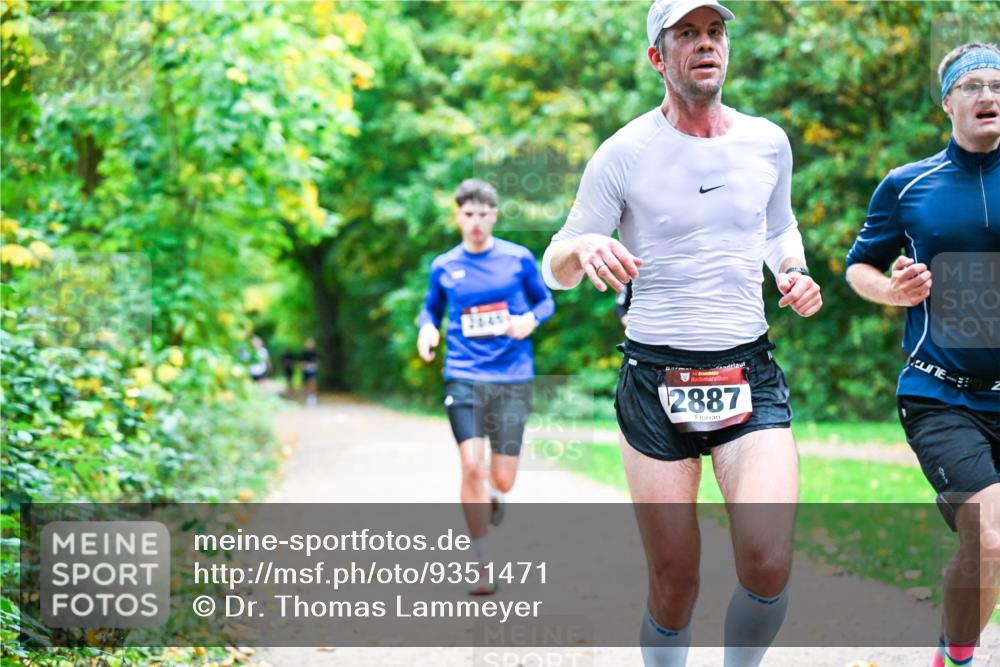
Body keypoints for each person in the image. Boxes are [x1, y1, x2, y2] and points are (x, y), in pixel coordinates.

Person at [541, 1, 822, 664]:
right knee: (675, 584)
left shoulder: (767, 142)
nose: (706, 44)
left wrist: (793, 268)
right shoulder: (624, 153)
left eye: (715, 32)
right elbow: (555, 262)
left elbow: (778, 226)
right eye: (687, 34)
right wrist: (582, 250)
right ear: (657, 57)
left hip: (746, 371)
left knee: (769, 557)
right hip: (654, 377)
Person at [845, 42, 1000, 667]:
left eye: (998, 84)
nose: (988, 96)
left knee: (981, 546)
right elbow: (859, 266)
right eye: (973, 86)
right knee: (988, 540)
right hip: (942, 394)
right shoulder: (908, 185)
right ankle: (958, 659)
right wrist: (892, 290)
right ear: (948, 103)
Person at [417, 178, 555, 595]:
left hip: (512, 377)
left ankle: (497, 493)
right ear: (457, 216)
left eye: (483, 214)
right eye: (468, 214)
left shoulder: (518, 259)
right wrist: (427, 330)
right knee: (471, 465)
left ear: (494, 215)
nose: (475, 222)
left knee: (504, 477)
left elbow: (545, 301)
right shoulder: (444, 266)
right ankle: (481, 564)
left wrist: (529, 320)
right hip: (463, 375)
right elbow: (430, 308)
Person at [301, 338, 319, 406]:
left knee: (313, 383)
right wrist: (304, 367)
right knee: (308, 384)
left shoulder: (315, 352)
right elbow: (301, 362)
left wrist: (315, 366)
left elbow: (317, 361)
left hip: (313, 370)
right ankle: (309, 396)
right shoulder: (304, 353)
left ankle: (313, 397)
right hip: (306, 370)